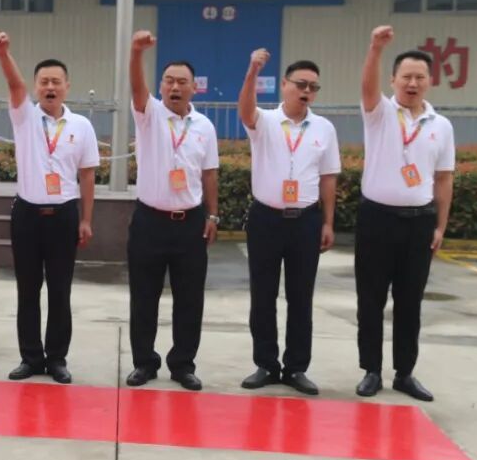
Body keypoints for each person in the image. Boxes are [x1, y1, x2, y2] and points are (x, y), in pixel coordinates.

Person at [0, 32, 99, 385]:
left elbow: (87, 175)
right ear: (36, 87)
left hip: (64, 215)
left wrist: (86, 219)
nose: (50, 87)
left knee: (60, 291)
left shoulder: (81, 126)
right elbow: (14, 84)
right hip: (27, 215)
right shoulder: (24, 117)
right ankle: (30, 357)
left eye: (56, 81)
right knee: (28, 290)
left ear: (67, 86)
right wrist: (3, 54)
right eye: (44, 82)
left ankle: (57, 359)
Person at [355, 26, 454, 402]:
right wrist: (375, 49)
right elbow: (367, 86)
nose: (412, 83)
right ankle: (371, 370)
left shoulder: (441, 126)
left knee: (410, 301)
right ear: (393, 80)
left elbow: (443, 179)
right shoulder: (379, 113)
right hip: (377, 220)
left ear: (430, 82)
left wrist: (440, 226)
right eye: (406, 77)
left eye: (420, 77)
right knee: (371, 299)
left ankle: (405, 373)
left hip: (419, 222)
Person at [237, 49, 341, 396]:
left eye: (313, 87)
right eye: (300, 84)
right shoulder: (265, 121)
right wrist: (253, 70)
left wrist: (328, 222)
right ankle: (266, 364)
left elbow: (328, 177)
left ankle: (296, 367)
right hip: (266, 218)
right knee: (263, 295)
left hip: (306, 221)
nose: (306, 91)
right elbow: (245, 110)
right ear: (284, 85)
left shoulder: (324, 129)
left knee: (301, 297)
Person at [125, 31, 219, 391]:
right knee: (144, 297)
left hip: (190, 224)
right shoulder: (149, 114)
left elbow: (209, 174)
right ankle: (144, 362)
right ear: (161, 86)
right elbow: (137, 88)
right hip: (150, 221)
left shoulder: (204, 126)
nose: (174, 87)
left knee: (190, 298)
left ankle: (183, 364)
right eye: (168, 81)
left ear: (194, 88)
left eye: (182, 82)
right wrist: (137, 53)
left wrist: (213, 215)